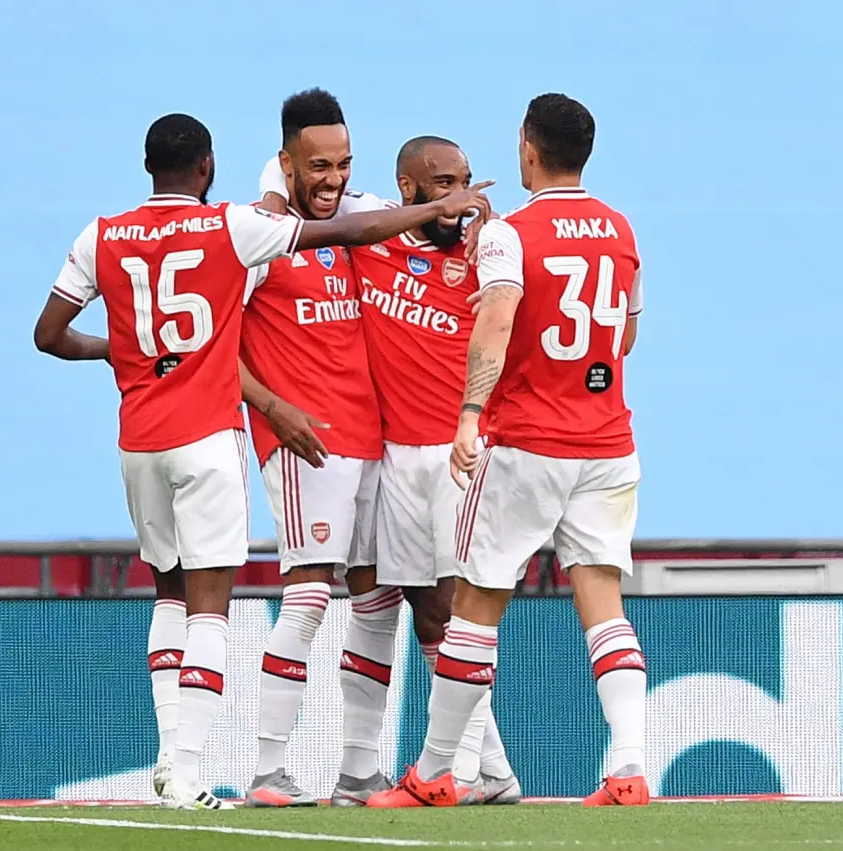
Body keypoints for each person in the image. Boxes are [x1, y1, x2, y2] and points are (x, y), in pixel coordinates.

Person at [32, 112, 493, 811]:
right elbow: (224, 334)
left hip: (363, 439)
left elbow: (52, 332)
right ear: (273, 164)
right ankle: (265, 768)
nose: (334, 178)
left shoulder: (346, 215)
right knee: (299, 594)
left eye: (343, 163)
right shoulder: (248, 230)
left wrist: (456, 212)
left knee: (372, 601)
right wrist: (276, 408)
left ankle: (356, 770)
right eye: (318, 166)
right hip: (296, 439)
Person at [367, 93, 648, 809]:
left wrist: (468, 413)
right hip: (608, 441)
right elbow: (624, 337)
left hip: (526, 442)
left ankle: (436, 772)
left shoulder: (509, 234)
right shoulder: (620, 228)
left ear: (527, 146)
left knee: (474, 604)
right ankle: (628, 766)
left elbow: (494, 323)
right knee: (603, 603)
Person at [257, 135, 520, 805]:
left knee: (453, 608)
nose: (460, 198)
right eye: (443, 184)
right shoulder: (371, 232)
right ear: (407, 188)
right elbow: (294, 175)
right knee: (399, 608)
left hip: (462, 453)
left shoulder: (487, 248)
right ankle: (381, 770)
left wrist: (486, 223)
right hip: (395, 455)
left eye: (465, 182)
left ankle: (474, 767)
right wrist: (272, 194)